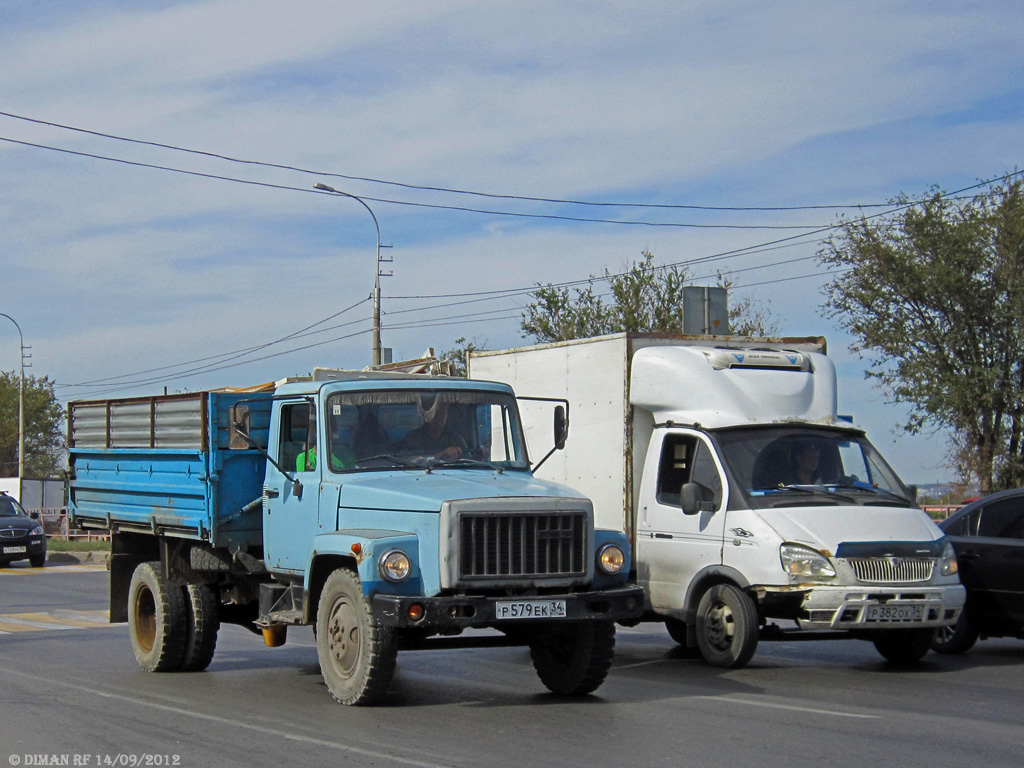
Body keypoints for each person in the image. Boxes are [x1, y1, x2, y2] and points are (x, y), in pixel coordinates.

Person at [402, 396, 466, 461]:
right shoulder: (413, 437)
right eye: (435, 414)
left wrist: (457, 454)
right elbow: (408, 461)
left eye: (443, 413)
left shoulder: (455, 438)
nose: (439, 418)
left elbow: (471, 461)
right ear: (426, 415)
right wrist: (440, 455)